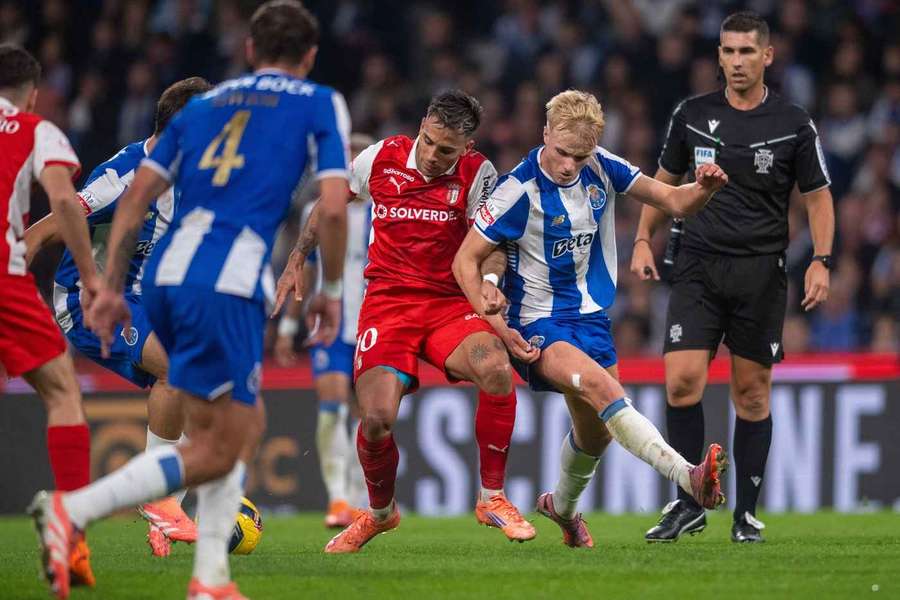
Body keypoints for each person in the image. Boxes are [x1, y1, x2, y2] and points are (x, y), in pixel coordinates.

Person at [28, 2, 351, 599]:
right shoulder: (317, 103)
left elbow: (138, 195)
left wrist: (113, 277)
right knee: (226, 432)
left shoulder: (204, 111)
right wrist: (329, 289)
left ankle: (206, 577)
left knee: (232, 427)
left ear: (250, 51)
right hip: (225, 282)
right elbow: (333, 207)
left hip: (171, 281)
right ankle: (81, 513)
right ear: (308, 57)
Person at [453, 89, 730, 548]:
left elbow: (676, 202)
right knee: (606, 390)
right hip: (538, 323)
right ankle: (690, 476)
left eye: (579, 156)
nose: (568, 165)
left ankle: (561, 508)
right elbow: (465, 260)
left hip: (592, 320)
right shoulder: (515, 190)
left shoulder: (603, 165)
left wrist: (704, 189)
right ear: (545, 134)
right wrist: (494, 316)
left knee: (596, 433)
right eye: (561, 152)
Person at [275, 90, 537, 554]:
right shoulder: (381, 156)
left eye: (448, 150)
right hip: (388, 305)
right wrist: (298, 256)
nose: (435, 156)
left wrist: (492, 279)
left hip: (447, 303)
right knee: (376, 418)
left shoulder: (479, 174)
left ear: (468, 148)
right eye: (430, 142)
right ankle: (379, 513)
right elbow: (330, 205)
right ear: (422, 125)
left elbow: (491, 242)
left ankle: (491, 497)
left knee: (496, 367)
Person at [631, 12, 834, 543]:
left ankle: (745, 514)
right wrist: (641, 239)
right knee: (680, 381)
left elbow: (817, 196)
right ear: (718, 56)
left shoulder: (792, 121)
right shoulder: (692, 114)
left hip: (760, 272)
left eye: (747, 51)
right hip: (697, 263)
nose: (736, 62)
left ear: (767, 56)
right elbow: (663, 182)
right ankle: (689, 502)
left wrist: (822, 259)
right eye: (728, 51)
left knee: (751, 393)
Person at [25, 76, 214, 558]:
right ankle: (161, 503)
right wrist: (14, 261)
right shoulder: (122, 177)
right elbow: (51, 227)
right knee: (178, 369)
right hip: (88, 300)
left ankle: (162, 514)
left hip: (152, 298)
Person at [0, 43, 98, 588]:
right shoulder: (36, 129)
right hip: (4, 275)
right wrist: (88, 274)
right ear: (32, 92)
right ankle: (72, 538)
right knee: (62, 391)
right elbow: (63, 201)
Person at [274, 132, 374, 528]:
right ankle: (338, 498)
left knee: (369, 414)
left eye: (356, 157)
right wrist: (288, 325)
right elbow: (307, 268)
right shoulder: (317, 212)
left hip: (371, 325)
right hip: (330, 327)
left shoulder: (383, 210)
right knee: (331, 403)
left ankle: (361, 492)